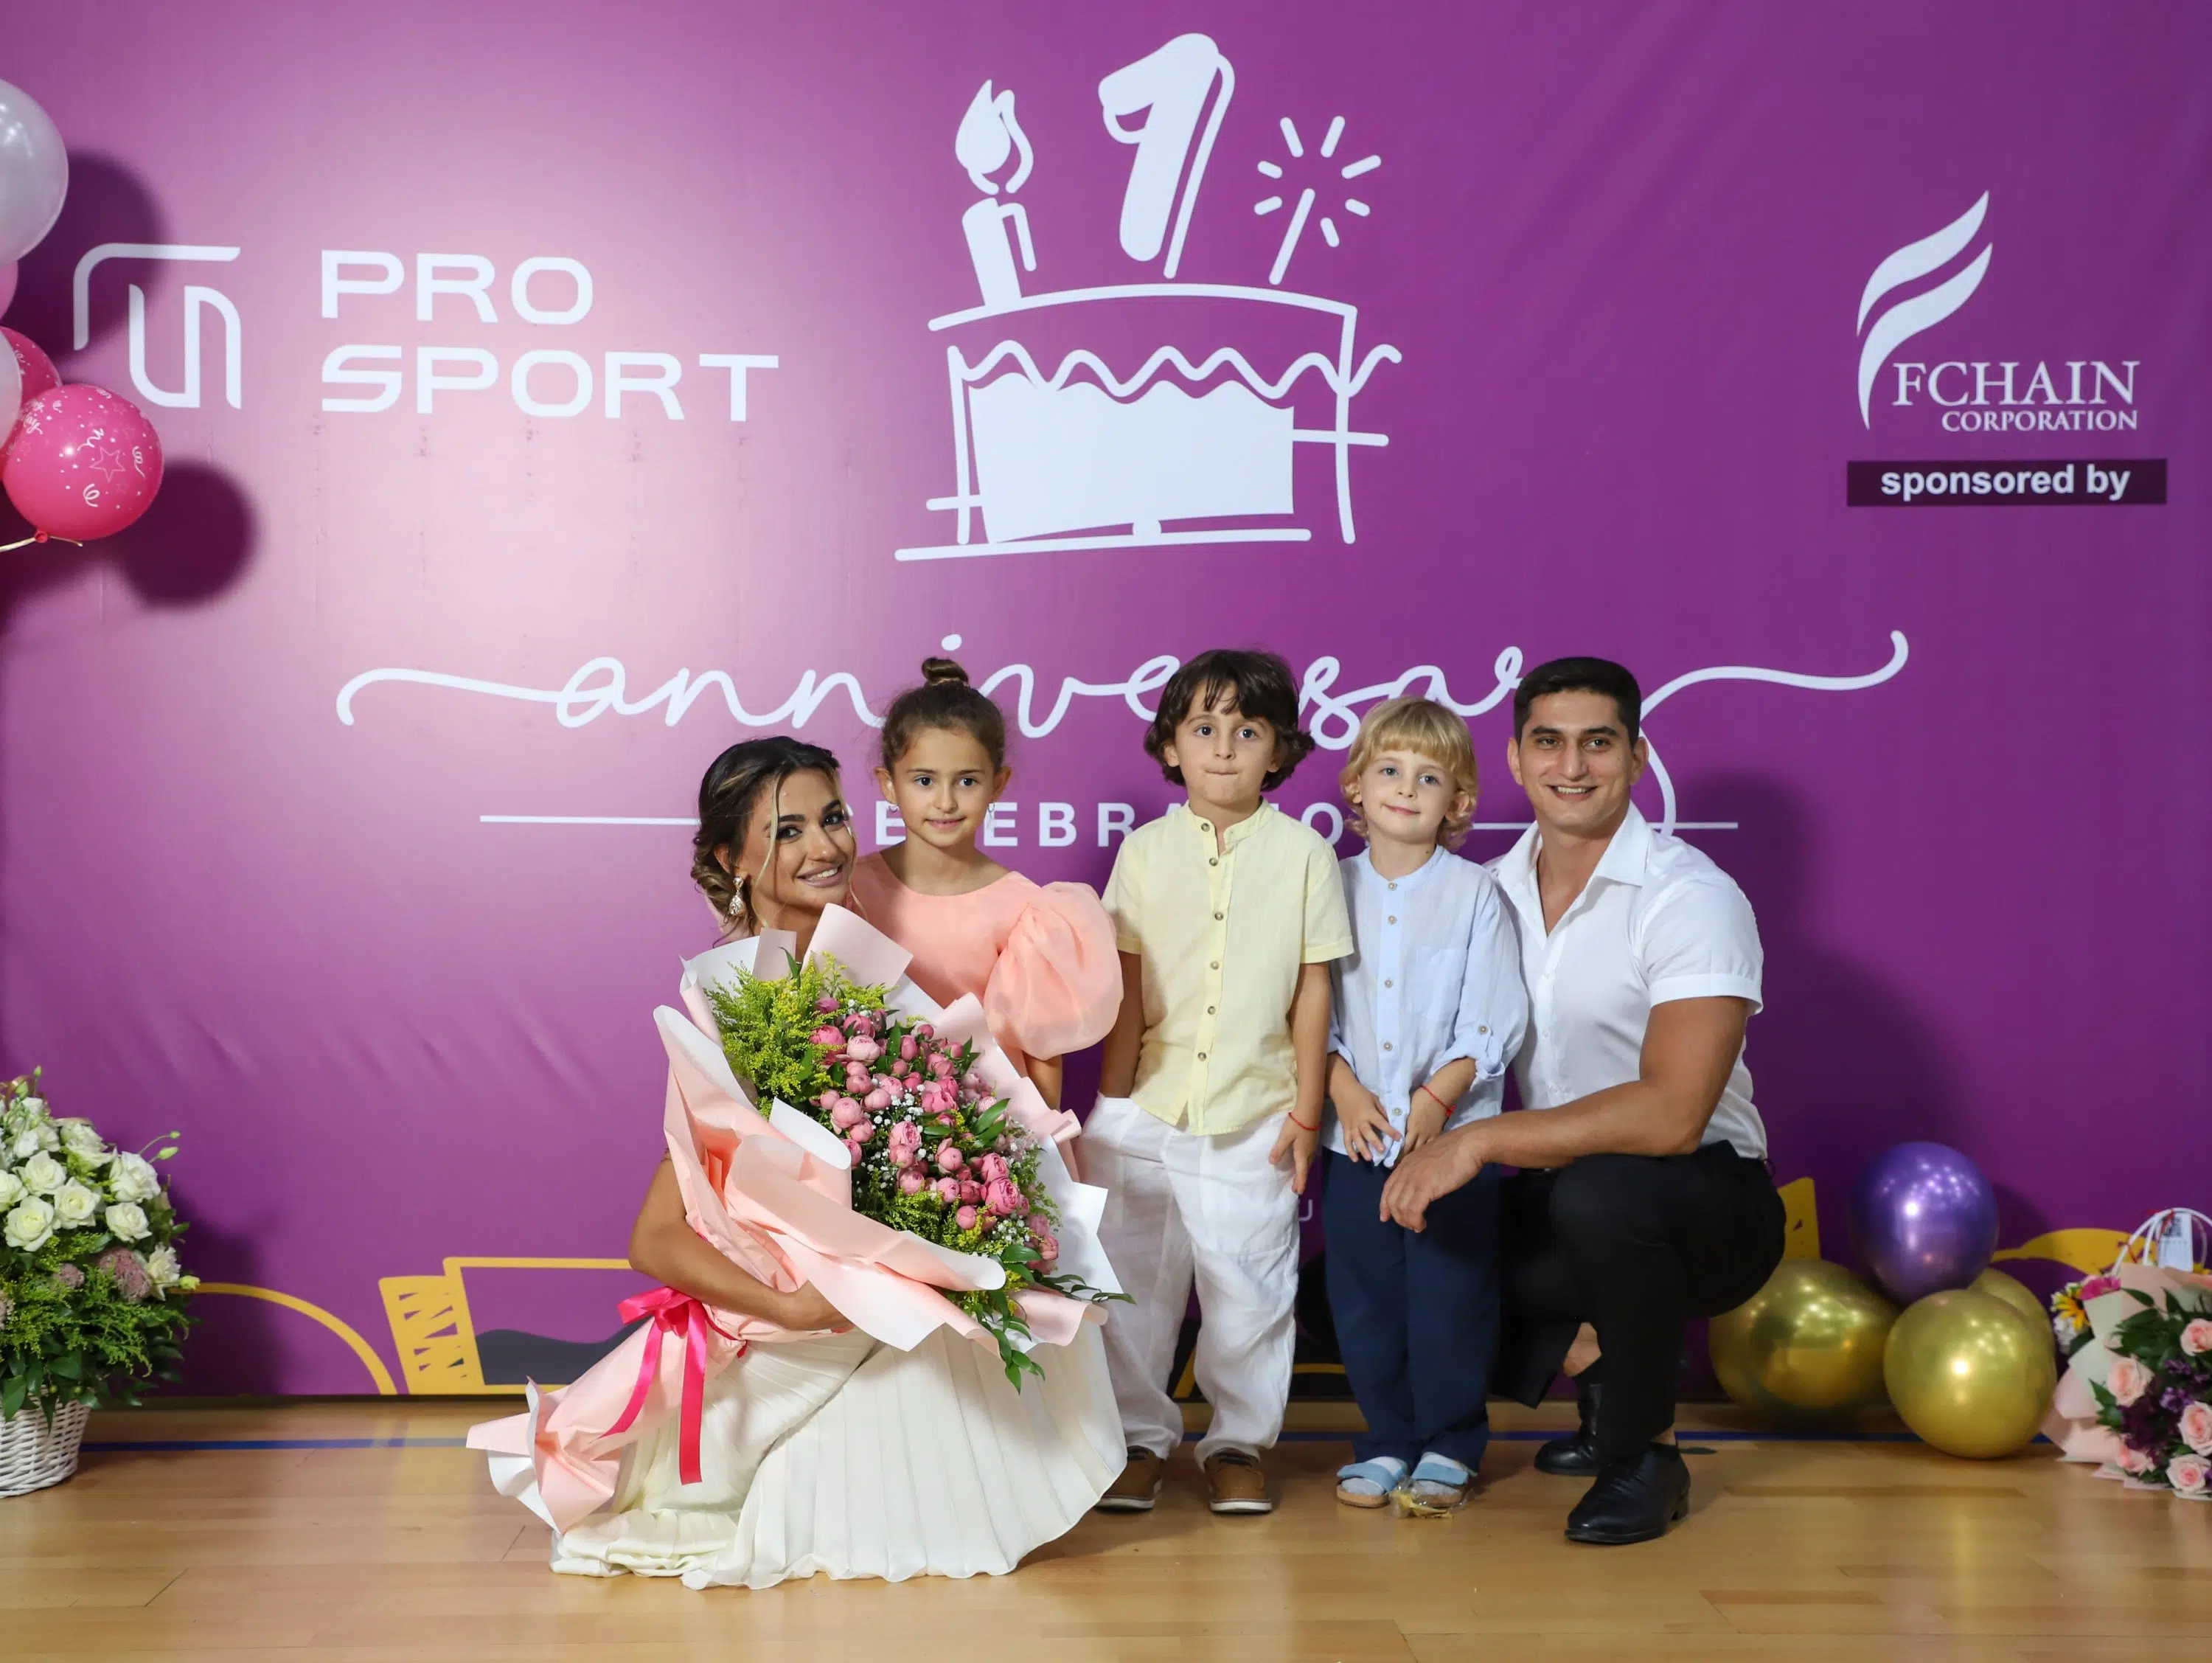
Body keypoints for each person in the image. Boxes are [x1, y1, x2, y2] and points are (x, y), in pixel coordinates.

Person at [504, 736, 1122, 1588]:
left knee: (1017, 1287)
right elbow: (654, 1237)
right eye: (787, 830)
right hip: (784, 1341)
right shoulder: (737, 1008)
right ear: (733, 858)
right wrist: (792, 1307)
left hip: (858, 1314)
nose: (826, 845)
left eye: (832, 817)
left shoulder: (859, 980)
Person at [1380, 658, 1785, 1546]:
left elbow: (1673, 1115)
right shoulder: (1483, 891)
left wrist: (1477, 1141)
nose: (1572, 765)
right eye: (1548, 741)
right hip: (1557, 1186)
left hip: (1708, 1201)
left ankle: (1646, 1456)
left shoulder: (1691, 896)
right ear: (1515, 759)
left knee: (1604, 1192)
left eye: (1598, 742)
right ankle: (1597, 1357)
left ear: (1636, 756)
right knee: (1377, 1260)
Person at [1085, 648, 1353, 1516]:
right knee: (1132, 1282)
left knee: (1250, 1287)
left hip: (1256, 1107)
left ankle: (1237, 1442)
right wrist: (1111, 1106)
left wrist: (1306, 1111)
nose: (1226, 747)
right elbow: (1127, 988)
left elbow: (1314, 989)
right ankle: (1138, 1438)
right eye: (1204, 728)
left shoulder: (1306, 853)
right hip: (1147, 1101)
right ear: (1172, 746)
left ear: (1280, 749)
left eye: (1248, 729)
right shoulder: (1144, 851)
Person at [1321, 698, 1526, 1514]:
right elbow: (1305, 1004)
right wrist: (1342, 1087)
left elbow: (1496, 1012)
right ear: (1357, 786)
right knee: (1365, 1301)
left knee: (1450, 1296)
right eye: (1390, 770)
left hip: (1452, 1137)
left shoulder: (1476, 893)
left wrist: (1440, 1095)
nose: (1407, 788)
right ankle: (1386, 1439)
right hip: (1356, 1137)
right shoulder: (1327, 886)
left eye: (1429, 777)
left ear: (1458, 801)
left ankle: (1450, 1442)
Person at [849, 657, 1121, 1107]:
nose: (946, 801)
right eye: (924, 781)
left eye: (967, 781)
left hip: (990, 1128)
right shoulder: (852, 889)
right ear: (889, 784)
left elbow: (1039, 1052)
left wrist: (1044, 1142)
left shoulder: (1027, 910)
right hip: (867, 1118)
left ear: (998, 784)